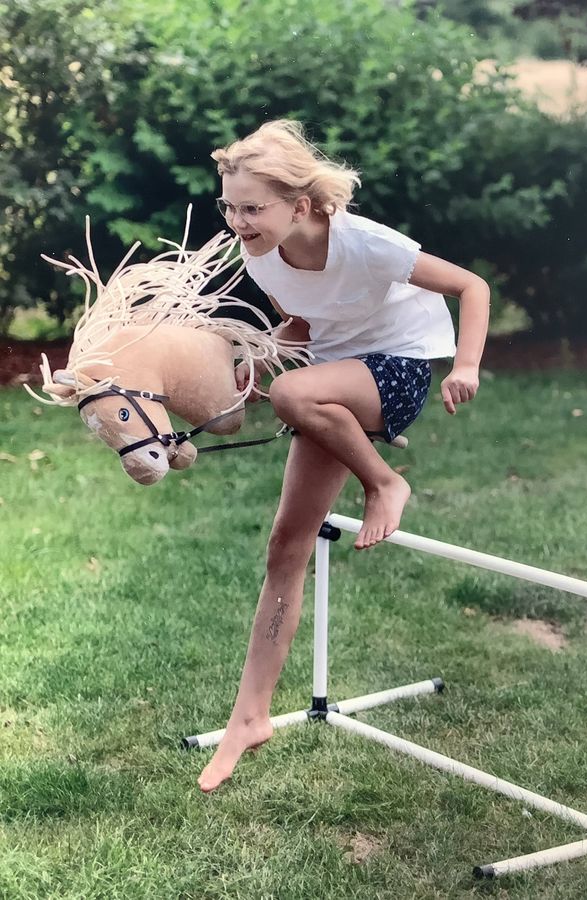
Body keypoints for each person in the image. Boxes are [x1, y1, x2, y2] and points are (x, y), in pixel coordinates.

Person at [198, 120, 489, 792]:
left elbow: (470, 286)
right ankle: (249, 715)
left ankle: (384, 483)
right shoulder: (260, 257)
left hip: (401, 366)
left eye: (251, 208)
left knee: (293, 393)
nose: (238, 221)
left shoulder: (366, 244)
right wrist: (264, 348)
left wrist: (464, 364)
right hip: (333, 380)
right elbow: (305, 323)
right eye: (229, 207)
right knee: (285, 545)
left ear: (298, 206)